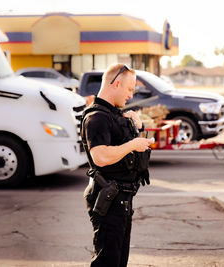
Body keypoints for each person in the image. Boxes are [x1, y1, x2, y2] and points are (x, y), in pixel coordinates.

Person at [81, 63, 154, 267]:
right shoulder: (97, 117)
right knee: (108, 262)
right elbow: (100, 157)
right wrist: (132, 144)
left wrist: (137, 128)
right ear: (117, 83)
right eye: (129, 89)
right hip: (108, 199)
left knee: (119, 261)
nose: (131, 96)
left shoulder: (114, 115)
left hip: (121, 199)